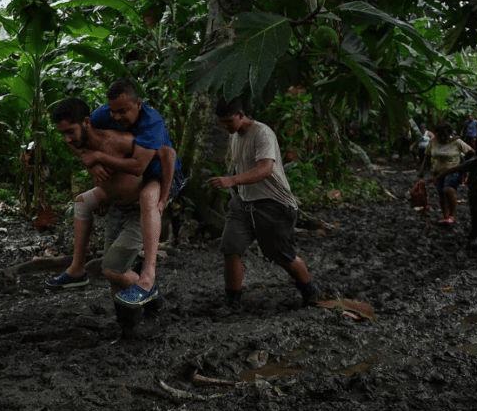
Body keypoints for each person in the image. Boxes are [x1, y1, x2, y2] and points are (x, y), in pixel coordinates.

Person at [46, 82, 184, 307]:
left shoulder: (152, 123)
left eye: (123, 111)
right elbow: (79, 140)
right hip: (124, 193)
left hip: (160, 176)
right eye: (113, 111)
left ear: (138, 105)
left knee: (149, 199)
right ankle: (77, 268)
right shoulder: (98, 117)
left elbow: (159, 159)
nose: (117, 116)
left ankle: (148, 277)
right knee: (82, 202)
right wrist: (92, 167)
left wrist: (163, 199)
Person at [208, 97, 319, 309]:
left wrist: (231, 180)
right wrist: (233, 184)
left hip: (273, 204)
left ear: (241, 114)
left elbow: (265, 168)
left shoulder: (262, 133)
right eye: (221, 122)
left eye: (229, 121)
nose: (225, 126)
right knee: (230, 248)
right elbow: (240, 166)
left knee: (281, 254)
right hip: (243, 202)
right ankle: (232, 301)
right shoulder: (235, 136)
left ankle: (309, 289)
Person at [418, 122, 474, 226]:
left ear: (449, 134)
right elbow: (427, 156)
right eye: (440, 136)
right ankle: (446, 217)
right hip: (438, 172)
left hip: (454, 170)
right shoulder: (433, 141)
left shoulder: (457, 142)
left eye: (445, 136)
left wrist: (466, 168)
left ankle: (452, 216)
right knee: (441, 194)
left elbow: (472, 153)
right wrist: (422, 170)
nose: (442, 139)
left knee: (447, 189)